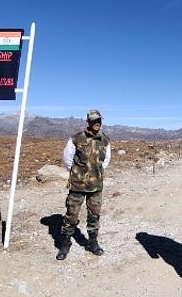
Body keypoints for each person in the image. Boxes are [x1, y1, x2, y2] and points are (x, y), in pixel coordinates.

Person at [56, 109, 111, 260]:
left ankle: (92, 243)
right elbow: (67, 159)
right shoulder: (76, 138)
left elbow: (105, 161)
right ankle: (65, 244)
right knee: (71, 214)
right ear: (88, 122)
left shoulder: (105, 140)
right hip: (77, 185)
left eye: (99, 120)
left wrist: (96, 173)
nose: (97, 123)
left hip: (96, 186)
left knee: (94, 215)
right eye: (94, 121)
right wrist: (77, 173)